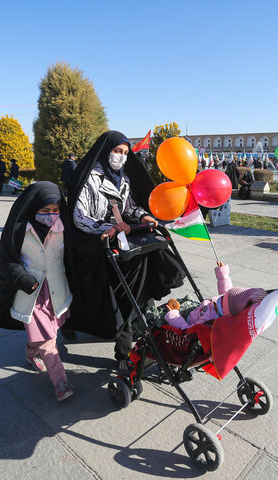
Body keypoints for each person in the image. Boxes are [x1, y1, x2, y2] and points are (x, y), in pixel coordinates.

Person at [65, 130, 186, 370]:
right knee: (115, 290)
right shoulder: (90, 178)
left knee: (145, 267)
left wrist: (143, 216)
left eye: (125, 153)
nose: (121, 157)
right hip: (95, 241)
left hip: (121, 240)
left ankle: (139, 323)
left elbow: (129, 207)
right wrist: (106, 227)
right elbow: (80, 217)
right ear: (105, 151)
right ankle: (123, 340)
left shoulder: (124, 179)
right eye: (117, 151)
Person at [0, 182, 74, 401]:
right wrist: (22, 277)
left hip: (56, 289)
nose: (51, 215)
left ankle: (31, 352)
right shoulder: (20, 229)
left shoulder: (64, 227)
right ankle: (60, 381)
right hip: (30, 291)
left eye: (55, 210)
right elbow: (4, 256)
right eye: (45, 210)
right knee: (48, 339)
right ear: (33, 207)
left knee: (46, 331)